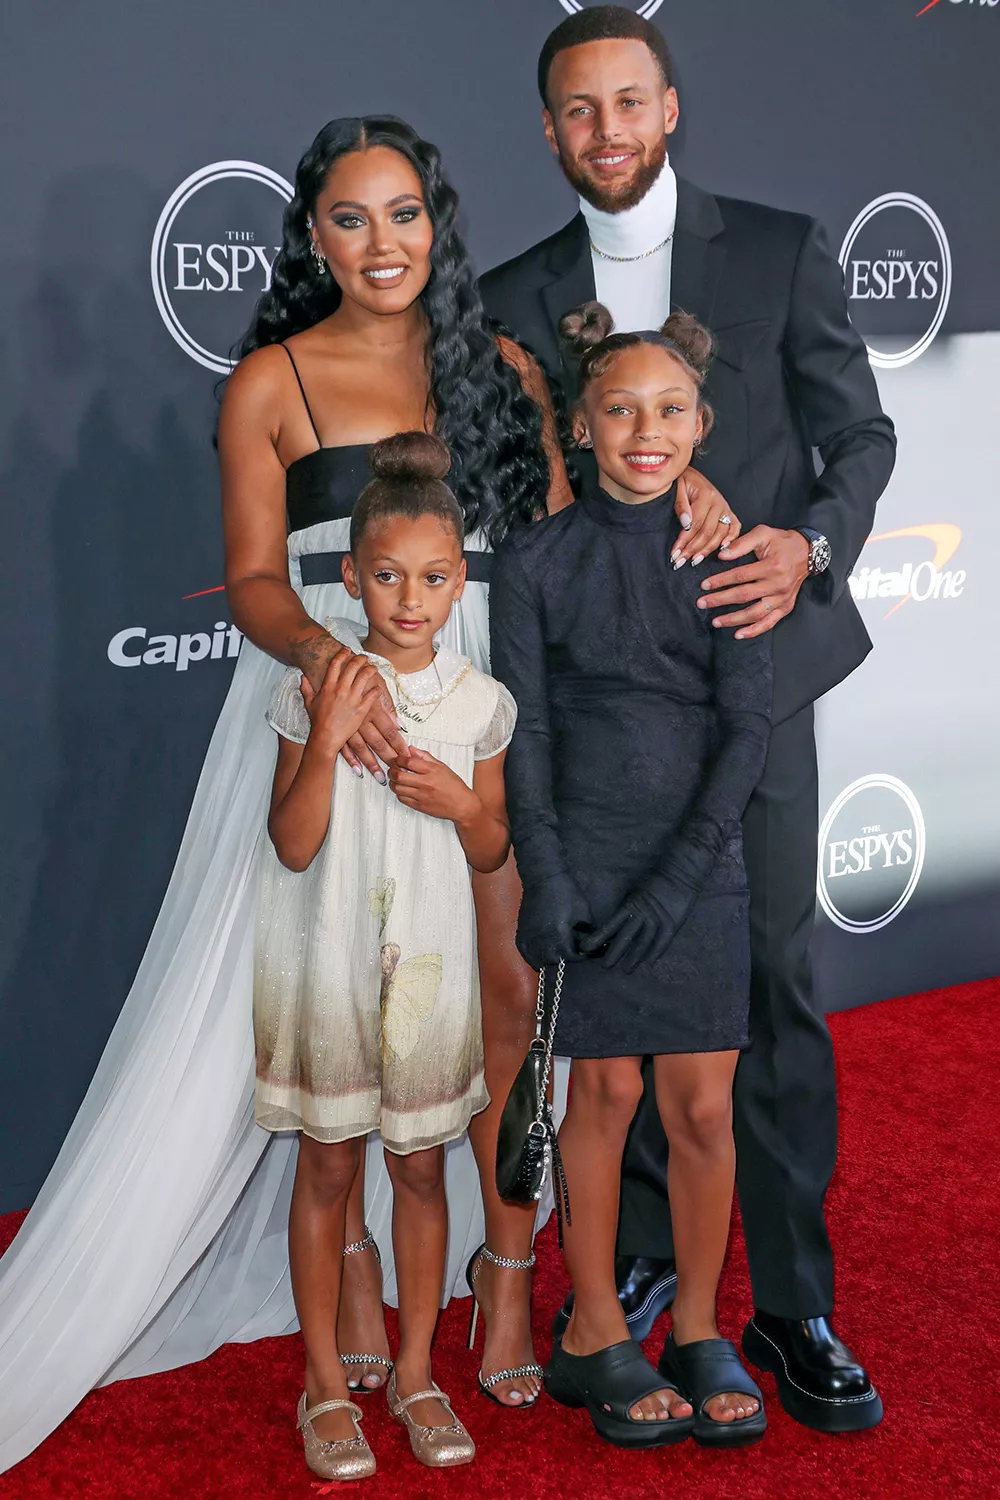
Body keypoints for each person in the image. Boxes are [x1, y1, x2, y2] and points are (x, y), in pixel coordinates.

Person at [0, 115, 558, 1475]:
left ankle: (507, 1273)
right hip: (327, 721)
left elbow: (552, 559)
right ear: (312, 233)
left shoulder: (503, 371)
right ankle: (351, 1256)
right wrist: (330, 666)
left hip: (474, 722)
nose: (384, 245)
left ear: (442, 220)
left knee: (501, 999)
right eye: (353, 218)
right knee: (332, 1001)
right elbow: (254, 577)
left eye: (406, 213)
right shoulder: (270, 382)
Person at [479, 6, 895, 1432]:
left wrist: (808, 546)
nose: (607, 131)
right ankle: (649, 1274)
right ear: (549, 131)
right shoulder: (515, 291)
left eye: (629, 102)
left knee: (762, 979)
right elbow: (508, 488)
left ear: (672, 108)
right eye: (578, 111)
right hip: (598, 706)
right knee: (610, 998)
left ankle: (791, 1300)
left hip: (753, 672)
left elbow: (861, 435)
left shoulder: (778, 248)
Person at [492, 305, 772, 1450]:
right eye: (618, 410)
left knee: (701, 1104)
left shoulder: (726, 551)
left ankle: (701, 1327)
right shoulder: (533, 561)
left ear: (701, 424)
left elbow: (745, 734)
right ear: (582, 423)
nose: (643, 432)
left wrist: (679, 881)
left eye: (667, 411)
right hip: (589, 861)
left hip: (697, 862)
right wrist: (548, 878)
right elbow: (531, 733)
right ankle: (596, 1329)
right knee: (599, 1098)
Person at [260, 431, 515, 1478]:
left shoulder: (482, 704)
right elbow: (291, 841)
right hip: (325, 963)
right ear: (351, 576)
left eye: (433, 578)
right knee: (326, 1168)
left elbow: (493, 843)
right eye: (387, 576)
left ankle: (415, 1370)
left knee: (419, 1169)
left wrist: (461, 804)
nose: (410, 598)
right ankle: (324, 1382)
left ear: (459, 584)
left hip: (433, 973)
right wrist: (326, 736)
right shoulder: (314, 689)